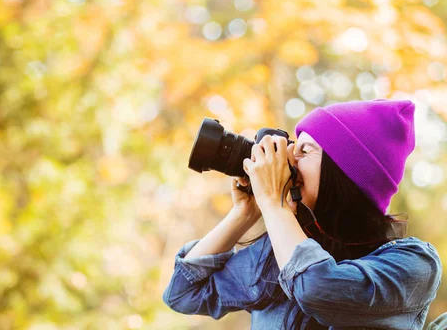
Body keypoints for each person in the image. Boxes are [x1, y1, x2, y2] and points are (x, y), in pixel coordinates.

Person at [162, 99, 442, 329]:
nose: (290, 158)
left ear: (342, 175)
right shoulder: (277, 253)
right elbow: (183, 293)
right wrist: (243, 213)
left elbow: (316, 287)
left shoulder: (414, 264)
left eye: (305, 150)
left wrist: (275, 205)